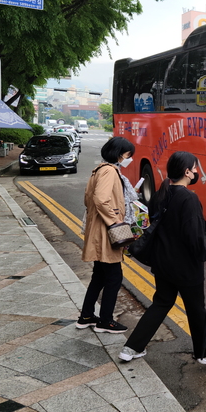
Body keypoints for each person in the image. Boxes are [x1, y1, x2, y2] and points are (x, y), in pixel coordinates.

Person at [119, 151, 206, 365]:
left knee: (161, 304)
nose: (197, 172)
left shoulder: (162, 193)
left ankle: (131, 347)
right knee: (196, 309)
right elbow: (194, 238)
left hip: (163, 264)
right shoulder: (189, 198)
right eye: (195, 168)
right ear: (187, 172)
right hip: (186, 268)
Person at [77, 136, 137, 334]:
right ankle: (105, 321)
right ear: (120, 154)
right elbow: (101, 200)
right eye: (128, 155)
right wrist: (115, 221)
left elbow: (88, 199)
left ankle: (86, 316)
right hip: (105, 233)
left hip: (97, 230)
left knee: (99, 276)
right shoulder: (110, 172)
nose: (129, 159)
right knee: (114, 277)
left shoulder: (99, 170)